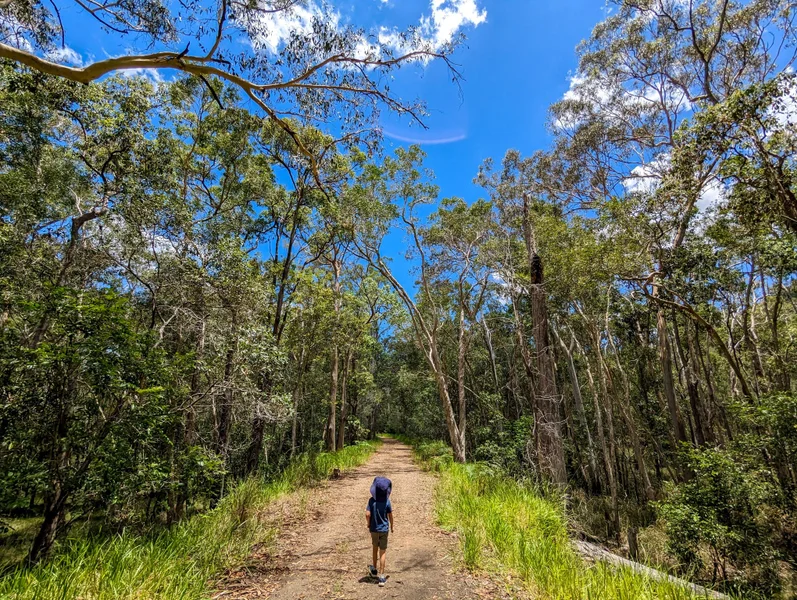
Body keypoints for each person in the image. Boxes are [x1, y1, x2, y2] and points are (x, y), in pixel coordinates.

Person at [366, 476, 393, 587]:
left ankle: (374, 570)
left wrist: (368, 523)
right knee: (383, 551)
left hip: (374, 529)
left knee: (374, 549)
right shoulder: (387, 502)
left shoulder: (371, 501)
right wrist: (392, 526)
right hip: (384, 530)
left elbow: (367, 514)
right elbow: (390, 515)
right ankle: (382, 576)